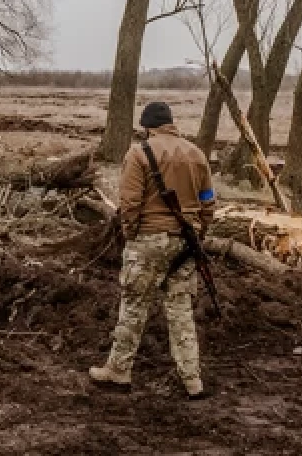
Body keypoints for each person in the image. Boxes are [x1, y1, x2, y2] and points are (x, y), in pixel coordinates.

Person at [90, 101, 216, 399]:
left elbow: (130, 203)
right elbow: (208, 201)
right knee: (181, 310)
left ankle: (119, 371)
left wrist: (130, 234)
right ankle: (192, 380)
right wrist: (199, 233)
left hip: (147, 240)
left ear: (146, 127)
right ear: (170, 123)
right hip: (186, 243)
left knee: (134, 305)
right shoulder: (197, 155)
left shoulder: (138, 154)